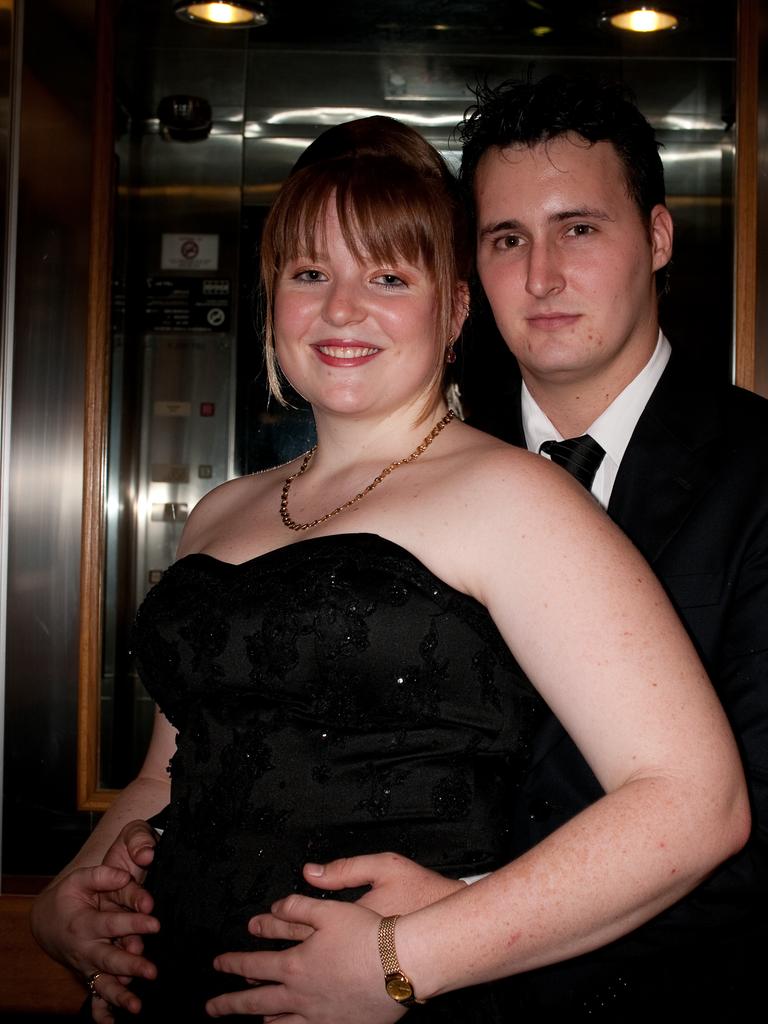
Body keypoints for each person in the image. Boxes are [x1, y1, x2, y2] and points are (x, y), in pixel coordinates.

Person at [32, 114, 748, 1022]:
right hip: (174, 992)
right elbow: (163, 776)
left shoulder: (518, 496)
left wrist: (404, 960)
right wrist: (76, 893)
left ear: (453, 311)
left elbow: (694, 801)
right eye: (309, 274)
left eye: (386, 277)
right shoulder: (220, 512)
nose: (340, 309)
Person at [235, 77, 768, 1019]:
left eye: (580, 228)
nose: (542, 275)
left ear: (657, 238)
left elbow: (745, 813)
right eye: (506, 239)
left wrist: (458, 923)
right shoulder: (410, 469)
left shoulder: (760, 472)